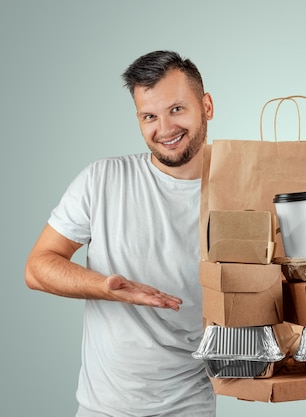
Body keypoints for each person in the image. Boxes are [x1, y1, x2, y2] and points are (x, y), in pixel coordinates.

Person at [24, 50, 216, 416]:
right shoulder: (103, 180)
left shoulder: (241, 190)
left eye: (177, 109)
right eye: (149, 116)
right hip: (104, 407)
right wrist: (107, 288)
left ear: (206, 105)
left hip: (190, 405)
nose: (164, 129)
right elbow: (37, 267)